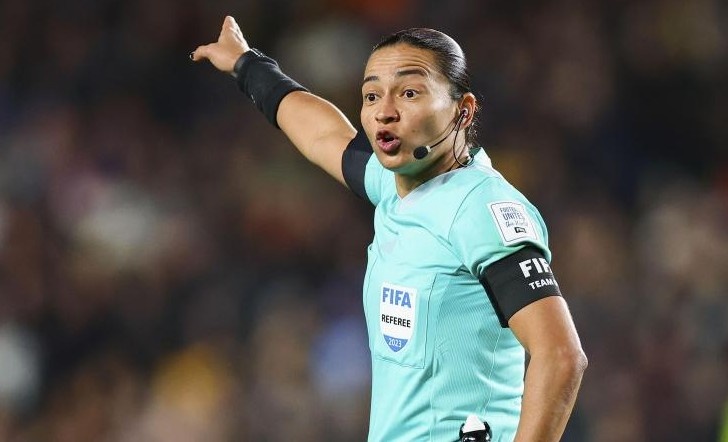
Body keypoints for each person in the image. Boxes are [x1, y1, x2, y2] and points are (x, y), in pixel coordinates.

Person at [191, 16, 587, 442]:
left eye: (410, 92)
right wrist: (247, 64)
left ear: (463, 110)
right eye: (372, 95)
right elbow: (322, 133)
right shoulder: (394, 185)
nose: (385, 111)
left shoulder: (481, 209)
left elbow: (561, 355)